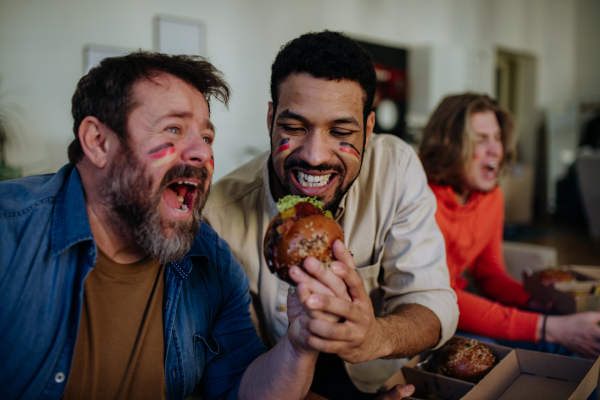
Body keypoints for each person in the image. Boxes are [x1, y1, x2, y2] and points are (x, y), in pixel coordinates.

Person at [0, 51, 338, 400]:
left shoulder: (213, 262)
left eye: (207, 138)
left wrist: (299, 344)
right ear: (99, 142)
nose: (203, 155)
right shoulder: (9, 235)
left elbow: (243, 390)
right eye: (173, 129)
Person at [202, 30, 459, 399]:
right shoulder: (218, 216)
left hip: (377, 376)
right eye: (293, 127)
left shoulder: (396, 170)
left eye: (341, 131)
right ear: (271, 119)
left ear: (369, 130)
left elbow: (432, 301)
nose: (314, 155)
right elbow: (241, 374)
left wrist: (374, 338)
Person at [419, 92, 600, 359]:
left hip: (457, 301)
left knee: (581, 346)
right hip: (428, 313)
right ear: (448, 145)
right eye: (480, 140)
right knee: (536, 349)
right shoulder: (418, 194)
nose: (496, 150)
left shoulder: (491, 196)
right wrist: (547, 328)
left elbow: (489, 272)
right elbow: (434, 294)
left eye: (498, 138)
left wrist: (532, 301)